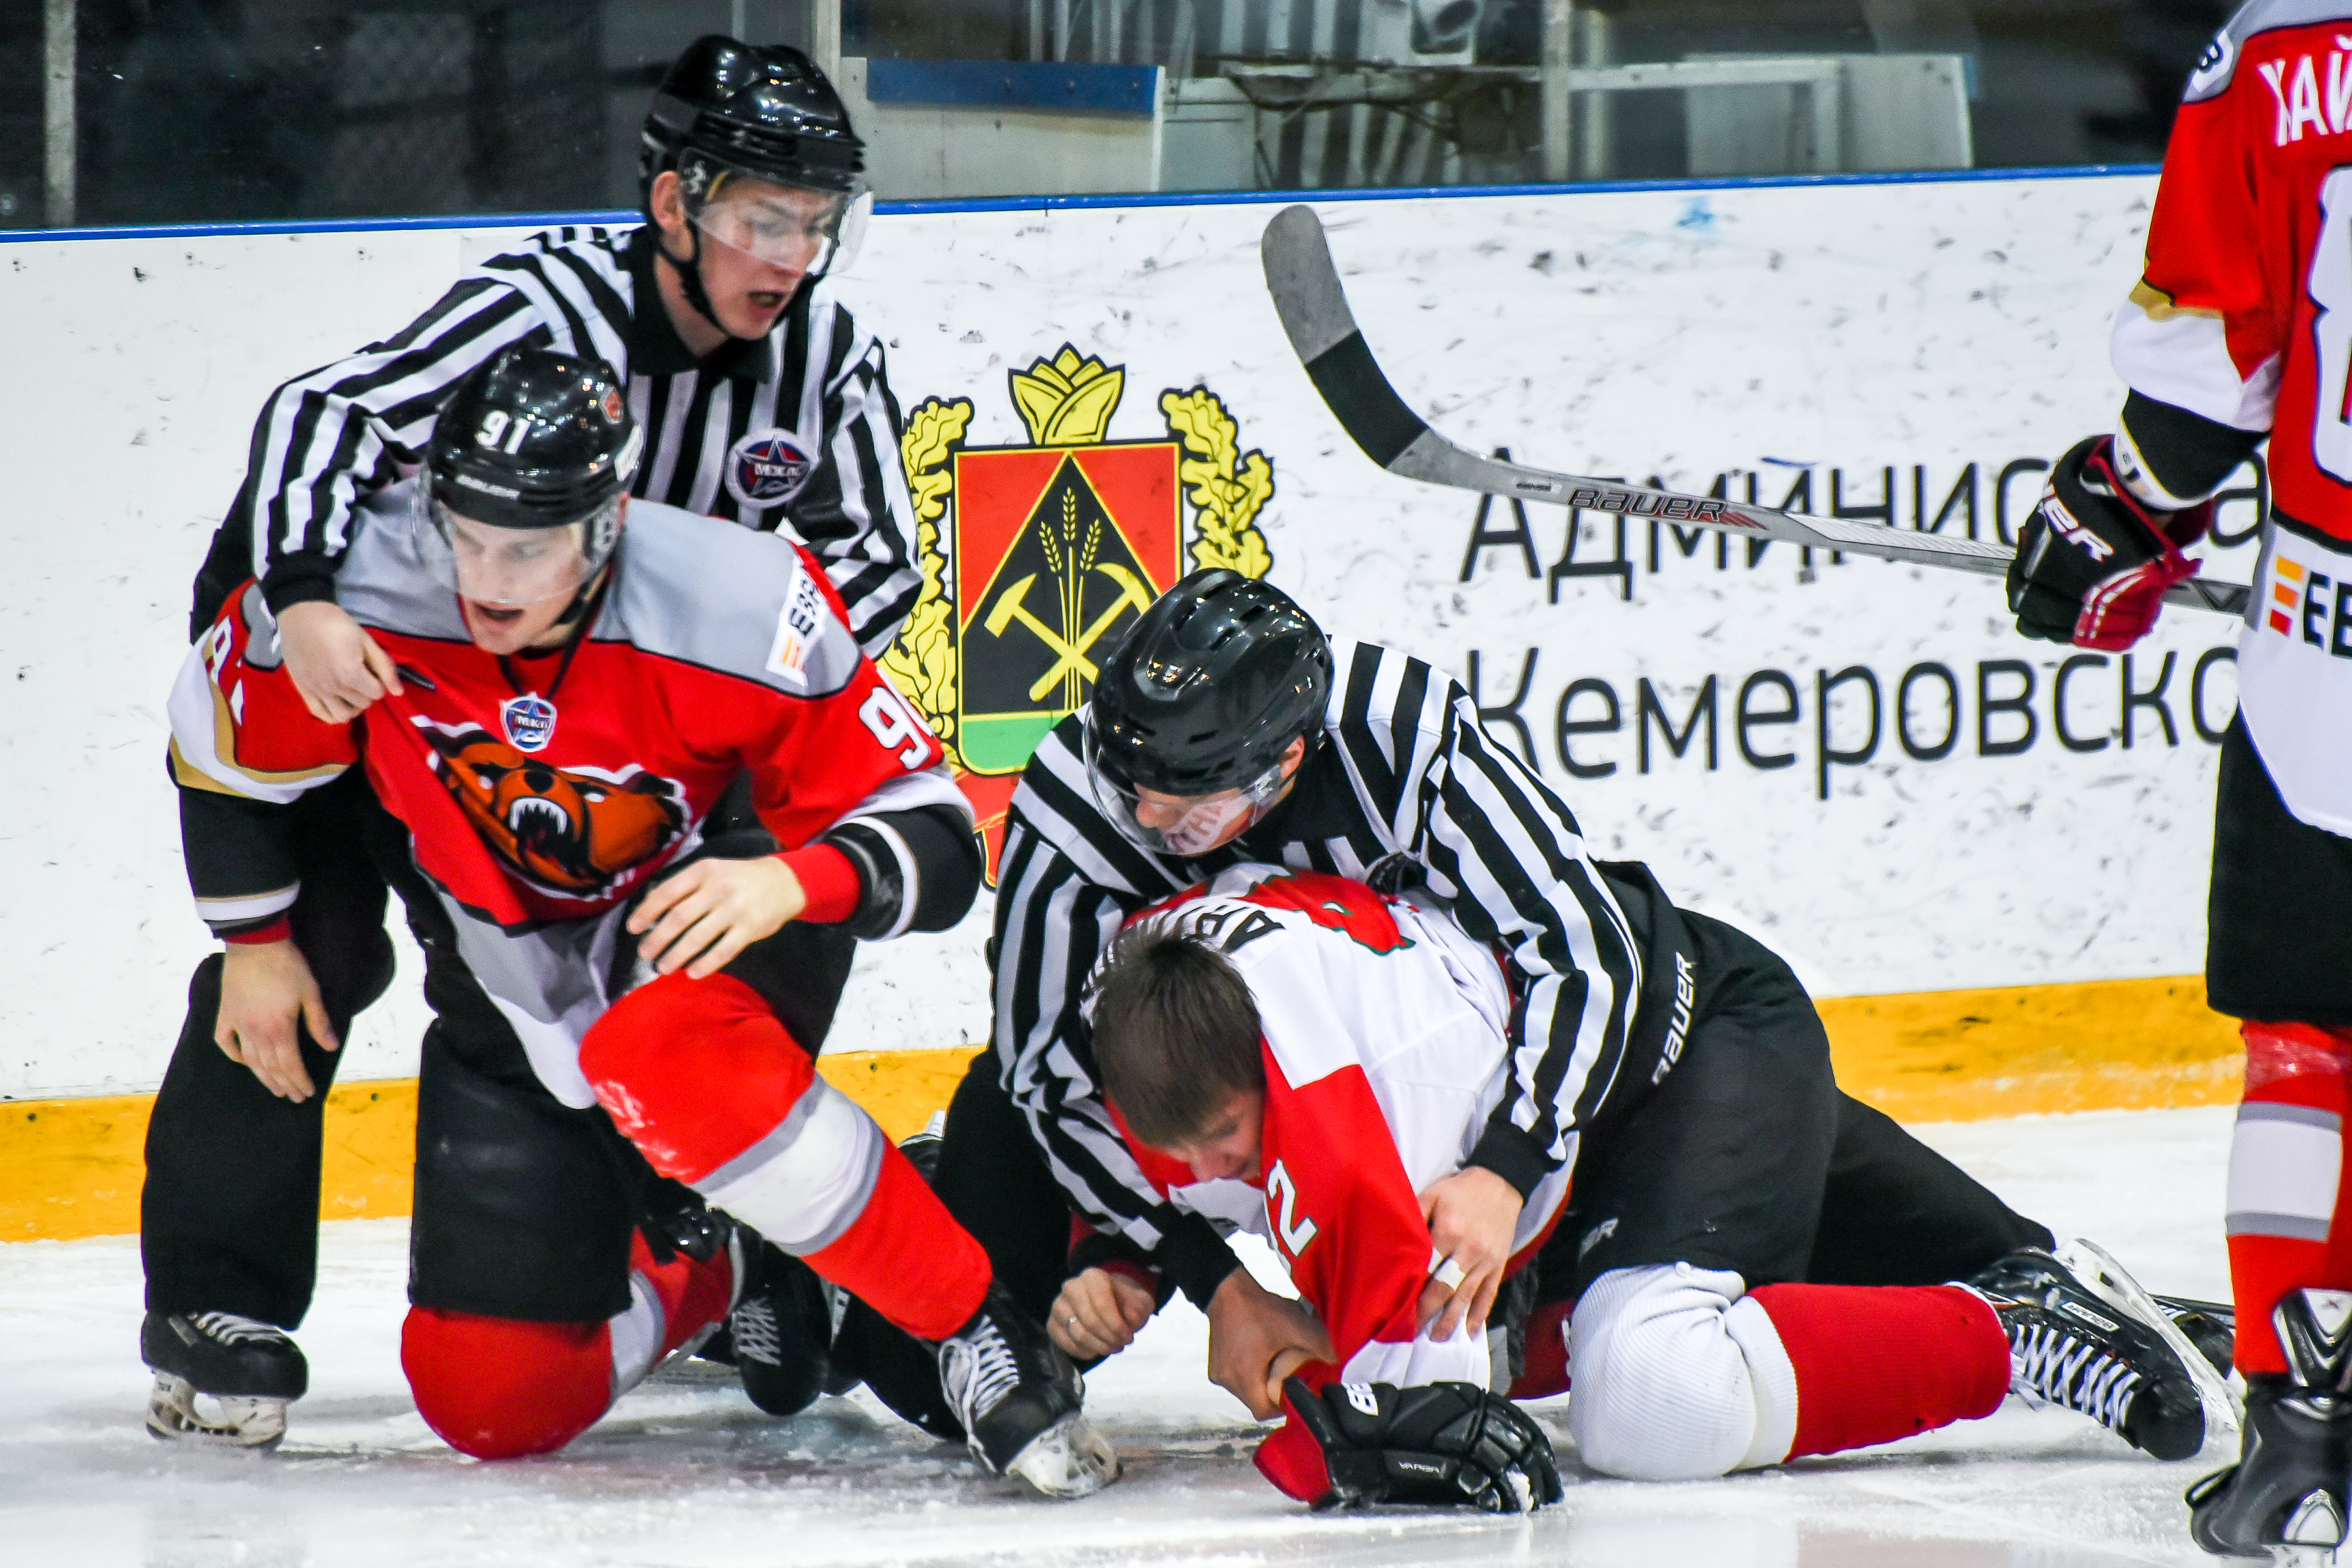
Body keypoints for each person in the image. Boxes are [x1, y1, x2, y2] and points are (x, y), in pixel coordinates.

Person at [154, 344, 1116, 1498]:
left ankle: (967, 1320)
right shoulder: (355, 591)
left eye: (526, 547)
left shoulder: (740, 596)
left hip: (719, 926)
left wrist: (787, 883)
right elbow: (221, 755)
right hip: (506, 990)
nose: (485, 579)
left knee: (655, 1051)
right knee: (490, 1398)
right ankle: (730, 1267)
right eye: (464, 535)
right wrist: (256, 943)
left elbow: (939, 837)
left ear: (607, 525)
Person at [141, 34, 922, 1443]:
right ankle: (219, 1299)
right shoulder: (538, 306)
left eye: (817, 224)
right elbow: (321, 414)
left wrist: (703, 664)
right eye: (761, 216)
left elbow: (870, 561)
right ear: (673, 205)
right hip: (387, 683)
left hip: (624, 736)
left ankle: (702, 1228)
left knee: (722, 936)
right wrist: (310, 601)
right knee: (299, 956)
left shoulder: (823, 358)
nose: (792, 255)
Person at [1073, 861, 2221, 1505]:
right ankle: (2067, 1289)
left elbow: (1401, 1423)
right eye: (1185, 1158)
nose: (1217, 1171)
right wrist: (1157, 1266)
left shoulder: (1360, 1096)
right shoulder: (1145, 1024)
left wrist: (1299, 1368)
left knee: (1647, 1398)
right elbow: (1101, 1154)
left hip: (1687, 1047)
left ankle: (2010, 1331)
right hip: (1588, 1128)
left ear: (1270, 1071)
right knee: (1557, 1334)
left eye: (1232, 1137)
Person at [2000, 3, 2352, 1558]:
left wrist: (2117, 509)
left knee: (2309, 1047)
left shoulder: (2284, 53)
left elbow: (2201, 393)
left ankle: (2302, 1427)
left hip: (2330, 656)